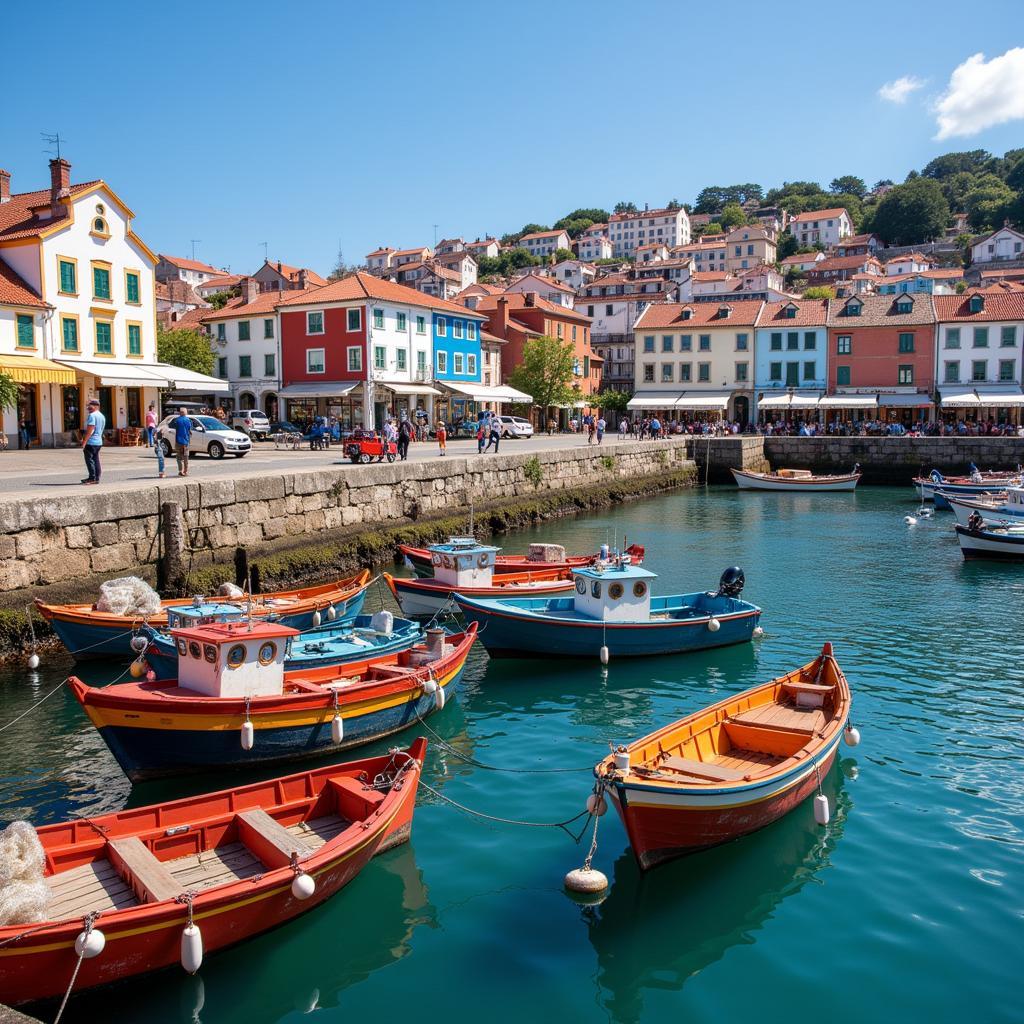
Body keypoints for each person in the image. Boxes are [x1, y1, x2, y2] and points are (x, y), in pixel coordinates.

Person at [80, 399, 105, 484]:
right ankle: (97, 477)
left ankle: (92, 478)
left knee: (89, 460)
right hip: (98, 442)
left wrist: (84, 442)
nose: (88, 408)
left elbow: (90, 430)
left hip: (91, 442)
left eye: (89, 406)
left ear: (95, 406)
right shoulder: (101, 416)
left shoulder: (92, 416)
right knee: (96, 459)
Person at [171, 407, 193, 476]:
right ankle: (185, 471)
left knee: (179, 457)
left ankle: (180, 470)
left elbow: (172, 426)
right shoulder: (188, 420)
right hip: (186, 441)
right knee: (186, 456)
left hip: (178, 441)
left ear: (180, 413)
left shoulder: (177, 420)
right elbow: (190, 430)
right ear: (185, 413)